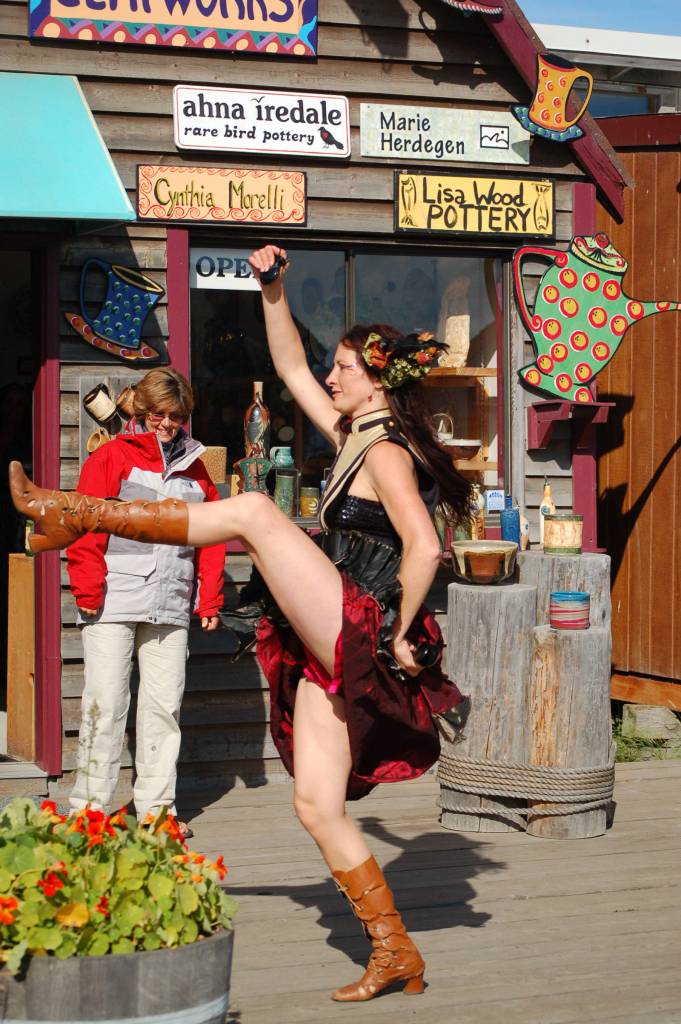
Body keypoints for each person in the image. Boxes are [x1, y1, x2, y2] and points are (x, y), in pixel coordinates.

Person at [9, 244, 471, 1002]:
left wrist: (399, 631)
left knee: (254, 510)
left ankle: (74, 514)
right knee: (315, 804)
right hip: (341, 620)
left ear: (377, 379)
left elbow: (424, 545)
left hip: (362, 618)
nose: (331, 377)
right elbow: (290, 367)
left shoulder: (383, 449)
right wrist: (274, 289)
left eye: (345, 370)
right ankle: (396, 952)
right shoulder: (353, 433)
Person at [65, 367, 226, 840]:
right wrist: (89, 589)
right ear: (141, 411)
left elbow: (213, 536)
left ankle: (158, 812)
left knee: (163, 707)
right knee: (106, 704)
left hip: (171, 603)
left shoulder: (198, 469)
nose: (166, 424)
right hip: (112, 600)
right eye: (158, 414)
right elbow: (83, 523)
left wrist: (208, 598)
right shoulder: (113, 455)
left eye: (175, 416)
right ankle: (89, 814)